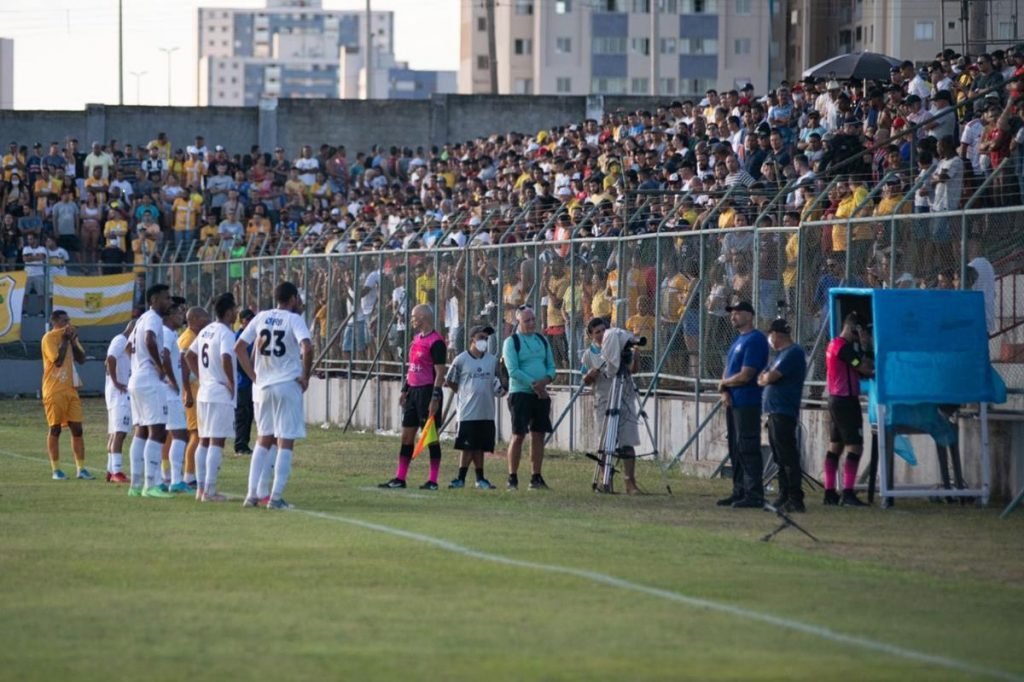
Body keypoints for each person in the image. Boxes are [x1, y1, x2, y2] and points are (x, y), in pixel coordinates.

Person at [237, 282, 314, 509]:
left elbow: (239, 347)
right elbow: (307, 347)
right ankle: (276, 497)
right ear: (292, 299)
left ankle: (251, 495)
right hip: (286, 384)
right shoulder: (294, 319)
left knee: (263, 439)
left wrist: (253, 376)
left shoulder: (260, 317)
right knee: (285, 440)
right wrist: (305, 376)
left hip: (262, 387)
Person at [379, 303, 447, 490]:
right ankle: (400, 478)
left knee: (431, 438)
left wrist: (435, 397)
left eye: (413, 316)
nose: (411, 319)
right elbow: (412, 368)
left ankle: (433, 480)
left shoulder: (437, 342)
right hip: (413, 392)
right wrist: (404, 389)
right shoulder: (416, 339)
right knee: (406, 436)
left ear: (423, 317)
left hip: (427, 392)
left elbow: (440, 373)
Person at [185, 292, 239, 502]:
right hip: (218, 393)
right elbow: (226, 356)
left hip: (205, 391)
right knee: (216, 441)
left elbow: (189, 355)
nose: (235, 313)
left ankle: (200, 489)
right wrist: (230, 381)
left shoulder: (206, 330)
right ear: (228, 312)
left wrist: (202, 376)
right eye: (234, 309)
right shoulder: (225, 332)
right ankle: (210, 490)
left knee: (204, 441)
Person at [716, 301, 770, 509]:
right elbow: (729, 369)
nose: (733, 316)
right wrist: (724, 389)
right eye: (732, 313)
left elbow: (746, 375)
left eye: (738, 312)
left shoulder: (755, 340)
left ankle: (754, 493)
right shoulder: (738, 340)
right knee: (735, 447)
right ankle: (739, 490)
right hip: (733, 400)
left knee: (748, 446)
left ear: (749, 315)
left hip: (748, 401)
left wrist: (724, 383)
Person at [580, 317, 641, 494]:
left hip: (624, 397)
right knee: (606, 442)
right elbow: (584, 380)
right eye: (596, 332)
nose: (601, 334)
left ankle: (630, 482)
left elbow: (632, 370)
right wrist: (590, 376)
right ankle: (605, 480)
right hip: (604, 400)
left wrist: (636, 358)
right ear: (591, 335)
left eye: (603, 330)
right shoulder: (588, 354)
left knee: (627, 441)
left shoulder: (620, 347)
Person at [127, 284, 175, 499]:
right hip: (149, 380)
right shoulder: (154, 318)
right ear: (154, 299)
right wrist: (158, 365)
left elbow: (128, 347)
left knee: (142, 431)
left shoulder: (140, 320)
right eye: (166, 298)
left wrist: (139, 364)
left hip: (136, 378)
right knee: (158, 431)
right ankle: (151, 485)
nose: (170, 302)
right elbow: (149, 340)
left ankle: (135, 485)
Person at [503, 304, 556, 490]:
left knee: (538, 434)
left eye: (533, 319)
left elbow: (551, 366)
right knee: (518, 434)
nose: (531, 323)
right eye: (527, 320)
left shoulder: (541, 340)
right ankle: (512, 476)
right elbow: (513, 371)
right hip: (521, 393)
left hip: (540, 394)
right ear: (519, 321)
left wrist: (546, 380)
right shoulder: (512, 342)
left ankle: (536, 476)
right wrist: (535, 384)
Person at [444, 324, 504, 490]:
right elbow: (450, 380)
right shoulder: (461, 359)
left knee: (480, 446)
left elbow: (498, 384)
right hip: (467, 412)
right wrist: (463, 393)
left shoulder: (492, 361)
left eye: (486, 338)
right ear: (472, 339)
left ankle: (480, 478)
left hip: (486, 412)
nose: (484, 341)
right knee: (467, 446)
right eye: (480, 338)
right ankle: (460, 478)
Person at [824, 312, 874, 507]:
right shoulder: (844, 348)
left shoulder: (834, 344)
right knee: (855, 446)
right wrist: (867, 347)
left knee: (835, 445)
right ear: (856, 329)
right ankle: (848, 492)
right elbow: (865, 369)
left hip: (835, 399)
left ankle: (829, 492)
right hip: (845, 400)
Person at [757, 318, 808, 513]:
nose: (769, 339)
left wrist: (767, 378)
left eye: (770, 335)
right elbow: (762, 377)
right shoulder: (779, 355)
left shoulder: (793, 353)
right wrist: (766, 378)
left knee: (788, 456)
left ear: (777, 335)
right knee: (779, 457)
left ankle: (795, 497)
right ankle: (783, 494)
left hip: (784, 410)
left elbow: (770, 377)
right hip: (773, 411)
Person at [41, 310, 91, 480]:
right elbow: (58, 360)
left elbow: (82, 359)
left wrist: (73, 342)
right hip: (54, 390)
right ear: (55, 322)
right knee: (55, 429)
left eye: (69, 320)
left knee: (77, 429)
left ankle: (81, 469)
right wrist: (64, 340)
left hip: (71, 389)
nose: (68, 323)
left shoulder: (70, 338)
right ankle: (56, 470)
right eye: (64, 320)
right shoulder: (49, 338)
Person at [178, 306, 210, 490]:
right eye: (205, 317)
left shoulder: (194, 337)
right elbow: (183, 366)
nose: (208, 320)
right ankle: (189, 477)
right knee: (195, 435)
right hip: (193, 393)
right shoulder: (188, 339)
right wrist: (187, 392)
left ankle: (194, 474)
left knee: (198, 434)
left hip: (197, 392)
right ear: (195, 319)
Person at [161, 297, 191, 494]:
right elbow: (163, 356)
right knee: (180, 434)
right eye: (180, 313)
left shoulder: (170, 333)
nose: (183, 316)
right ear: (170, 315)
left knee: (168, 434)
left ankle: (165, 477)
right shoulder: (167, 334)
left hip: (170, 392)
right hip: (169, 394)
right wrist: (170, 379)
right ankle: (175, 480)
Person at [104, 319, 135, 483]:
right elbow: (110, 358)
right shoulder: (120, 340)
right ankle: (117, 471)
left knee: (114, 432)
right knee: (120, 433)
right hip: (119, 394)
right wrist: (115, 381)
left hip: (119, 393)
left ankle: (110, 470)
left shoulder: (126, 343)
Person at [234, 308, 256, 456]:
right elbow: (238, 360)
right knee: (242, 414)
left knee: (249, 414)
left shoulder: (253, 337)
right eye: (248, 319)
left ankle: (245, 443)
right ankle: (240, 445)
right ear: (242, 321)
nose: (250, 322)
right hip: (242, 381)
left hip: (251, 381)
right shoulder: (240, 337)